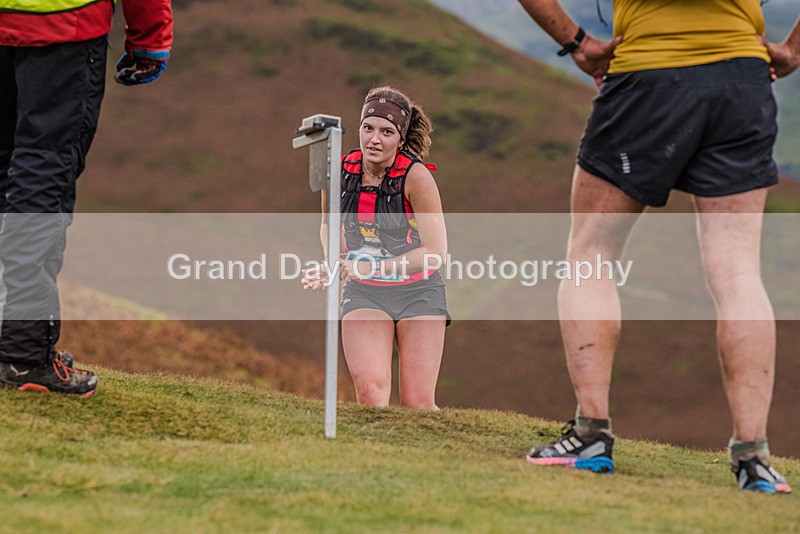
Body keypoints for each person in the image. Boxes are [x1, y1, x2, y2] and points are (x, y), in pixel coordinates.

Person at [517, 0, 799, 493]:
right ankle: (753, 458)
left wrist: (579, 44)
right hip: (742, 80)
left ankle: (591, 435)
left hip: (647, 76)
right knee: (737, 272)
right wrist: (793, 49)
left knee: (591, 253)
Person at [0, 0, 173, 397]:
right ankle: (23, 353)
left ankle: (15, 341)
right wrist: (149, 37)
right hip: (63, 25)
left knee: (5, 170)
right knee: (42, 178)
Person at [302, 86, 449, 409]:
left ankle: (434, 457)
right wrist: (332, 264)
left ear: (400, 138)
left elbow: (436, 253)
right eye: (368, 128)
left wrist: (374, 266)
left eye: (387, 132)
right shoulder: (338, 171)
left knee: (418, 402)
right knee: (371, 392)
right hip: (365, 292)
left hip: (419, 291)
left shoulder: (416, 178)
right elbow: (329, 225)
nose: (374, 139)